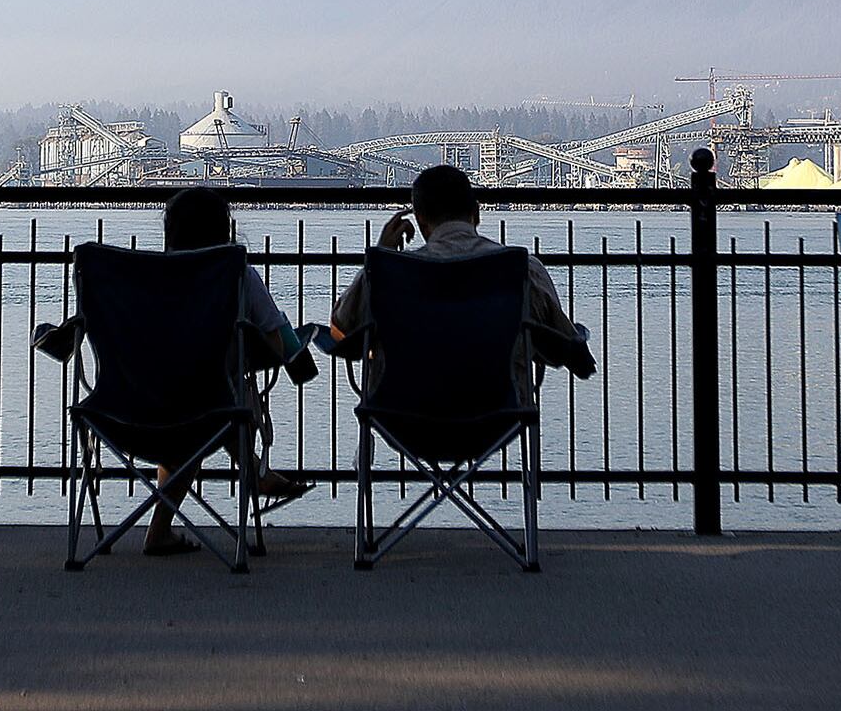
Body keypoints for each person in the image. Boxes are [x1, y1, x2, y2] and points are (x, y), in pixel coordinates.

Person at [144, 187, 312, 556]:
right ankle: (256, 473)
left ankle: (162, 529)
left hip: (131, 410)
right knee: (215, 405)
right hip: (208, 409)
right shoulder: (237, 274)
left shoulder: (143, 278)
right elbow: (275, 338)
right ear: (226, 230)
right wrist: (289, 360)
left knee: (192, 405)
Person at [330, 164, 588, 385]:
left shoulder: (388, 272)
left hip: (402, 414)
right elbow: (570, 352)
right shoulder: (524, 269)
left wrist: (379, 259)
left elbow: (340, 332)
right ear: (476, 212)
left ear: (420, 220)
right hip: (498, 412)